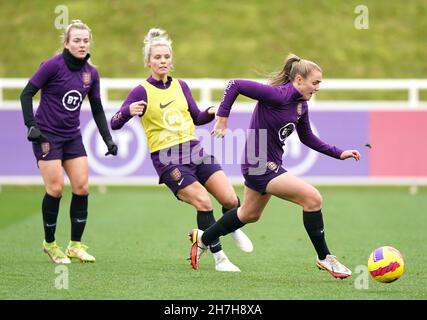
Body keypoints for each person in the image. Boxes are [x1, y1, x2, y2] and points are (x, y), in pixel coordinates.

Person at [189, 53, 361, 279]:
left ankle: (203, 239)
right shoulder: (277, 95)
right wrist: (222, 117)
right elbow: (235, 85)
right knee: (312, 198)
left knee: (249, 214)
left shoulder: (301, 106)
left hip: (266, 165)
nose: (318, 87)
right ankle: (324, 258)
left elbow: (308, 138)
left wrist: (339, 153)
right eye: (315, 82)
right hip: (259, 165)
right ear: (299, 80)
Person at [110, 28, 253, 272]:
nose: (162, 61)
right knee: (203, 202)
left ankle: (233, 227)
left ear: (171, 59)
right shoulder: (141, 91)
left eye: (166, 57)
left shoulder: (181, 86)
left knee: (230, 198)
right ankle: (220, 259)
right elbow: (114, 122)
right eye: (157, 57)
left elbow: (196, 117)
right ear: (148, 61)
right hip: (167, 158)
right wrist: (127, 111)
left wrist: (210, 112)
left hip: (194, 150)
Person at [20, 20, 118, 264]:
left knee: (82, 188)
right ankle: (50, 244)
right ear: (66, 42)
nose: (82, 44)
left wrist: (108, 138)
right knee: (55, 189)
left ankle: (74, 245)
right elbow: (26, 93)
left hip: (72, 137)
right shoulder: (52, 66)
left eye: (85, 40)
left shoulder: (91, 74)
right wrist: (31, 125)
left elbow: (96, 107)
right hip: (46, 136)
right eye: (77, 40)